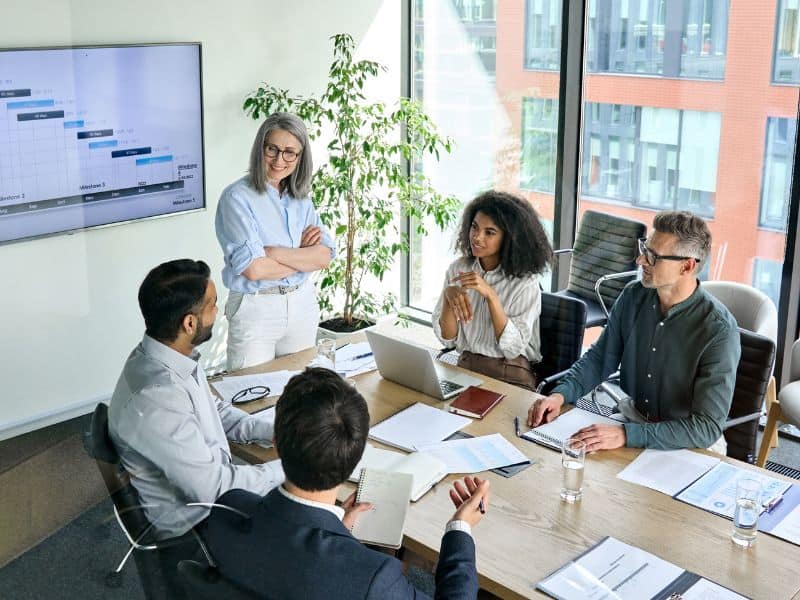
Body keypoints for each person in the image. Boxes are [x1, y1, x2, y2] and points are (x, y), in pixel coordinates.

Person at [204, 368, 489, 599]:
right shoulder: (373, 578)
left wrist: (339, 532)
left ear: (276, 444)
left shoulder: (227, 510)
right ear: (356, 458)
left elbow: (289, 562)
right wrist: (460, 529)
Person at [527, 211, 741, 453]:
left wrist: (626, 434)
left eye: (653, 256)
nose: (640, 261)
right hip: (632, 420)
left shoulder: (719, 330)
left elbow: (705, 428)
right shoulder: (632, 295)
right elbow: (599, 359)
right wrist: (560, 396)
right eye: (644, 249)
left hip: (688, 442)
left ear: (687, 266)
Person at [108, 259, 283, 541]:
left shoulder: (165, 356)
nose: (220, 311)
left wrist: (271, 430)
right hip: (199, 526)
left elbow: (213, 411)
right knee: (312, 516)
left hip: (211, 494)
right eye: (213, 304)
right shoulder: (157, 397)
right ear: (190, 323)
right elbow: (215, 489)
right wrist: (294, 467)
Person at [215, 112, 334, 371]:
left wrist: (273, 252)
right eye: (273, 149)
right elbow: (254, 269)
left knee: (302, 395)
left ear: (301, 157)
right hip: (256, 307)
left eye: (290, 152)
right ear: (261, 148)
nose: (280, 160)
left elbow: (324, 256)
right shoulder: (236, 198)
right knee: (252, 395)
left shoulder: (301, 198)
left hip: (302, 304)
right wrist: (303, 256)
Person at [432, 190, 553, 390]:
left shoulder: (525, 283)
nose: (477, 237)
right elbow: (448, 339)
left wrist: (491, 296)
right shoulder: (458, 269)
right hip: (466, 367)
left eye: (490, 232)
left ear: (510, 238)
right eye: (474, 227)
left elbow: (513, 349)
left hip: (509, 375)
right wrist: (448, 299)